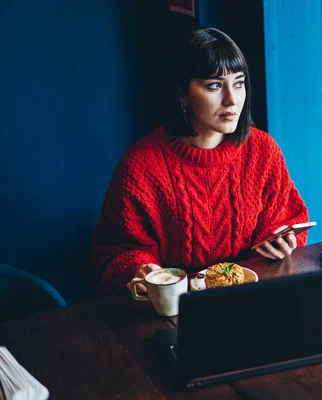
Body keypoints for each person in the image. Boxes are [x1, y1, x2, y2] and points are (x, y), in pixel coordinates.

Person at [92, 28, 309, 295]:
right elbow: (116, 253)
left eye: (239, 83)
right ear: (183, 94)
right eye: (214, 85)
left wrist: (281, 243)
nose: (232, 99)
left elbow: (288, 220)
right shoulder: (140, 166)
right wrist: (140, 269)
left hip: (253, 298)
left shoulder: (263, 151)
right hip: (176, 309)